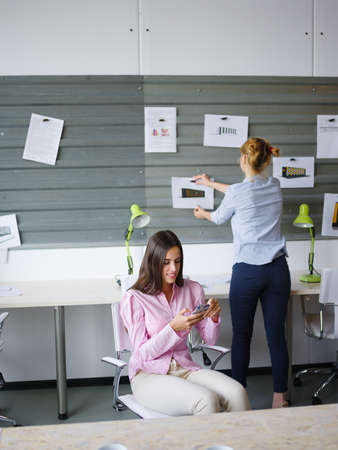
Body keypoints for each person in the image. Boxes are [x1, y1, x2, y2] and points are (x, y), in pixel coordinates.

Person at [193, 137, 291, 409]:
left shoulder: (237, 192)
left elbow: (219, 217)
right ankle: (279, 398)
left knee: (242, 336)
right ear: (266, 160)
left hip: (247, 273)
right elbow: (242, 191)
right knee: (276, 335)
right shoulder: (275, 185)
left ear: (244, 160)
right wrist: (212, 183)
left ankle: (239, 398)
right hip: (277, 271)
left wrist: (202, 214)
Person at [120, 230, 250, 416]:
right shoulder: (135, 298)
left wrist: (213, 318)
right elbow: (142, 355)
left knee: (237, 393)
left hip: (185, 368)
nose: (173, 268)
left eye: (177, 261)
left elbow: (210, 340)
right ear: (152, 261)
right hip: (148, 375)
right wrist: (173, 328)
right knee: (206, 400)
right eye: (166, 262)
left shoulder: (192, 289)